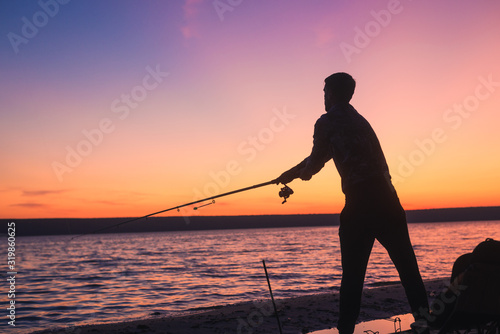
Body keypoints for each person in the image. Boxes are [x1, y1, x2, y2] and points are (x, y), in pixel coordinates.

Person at [275, 72, 429, 334]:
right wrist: (290, 173)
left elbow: (314, 163)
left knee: (353, 275)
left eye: (324, 92)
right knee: (408, 267)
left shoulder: (325, 122)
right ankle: (426, 321)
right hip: (389, 200)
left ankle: (345, 329)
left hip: (360, 203)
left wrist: (295, 174)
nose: (323, 97)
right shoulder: (361, 121)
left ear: (332, 93)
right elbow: (320, 156)